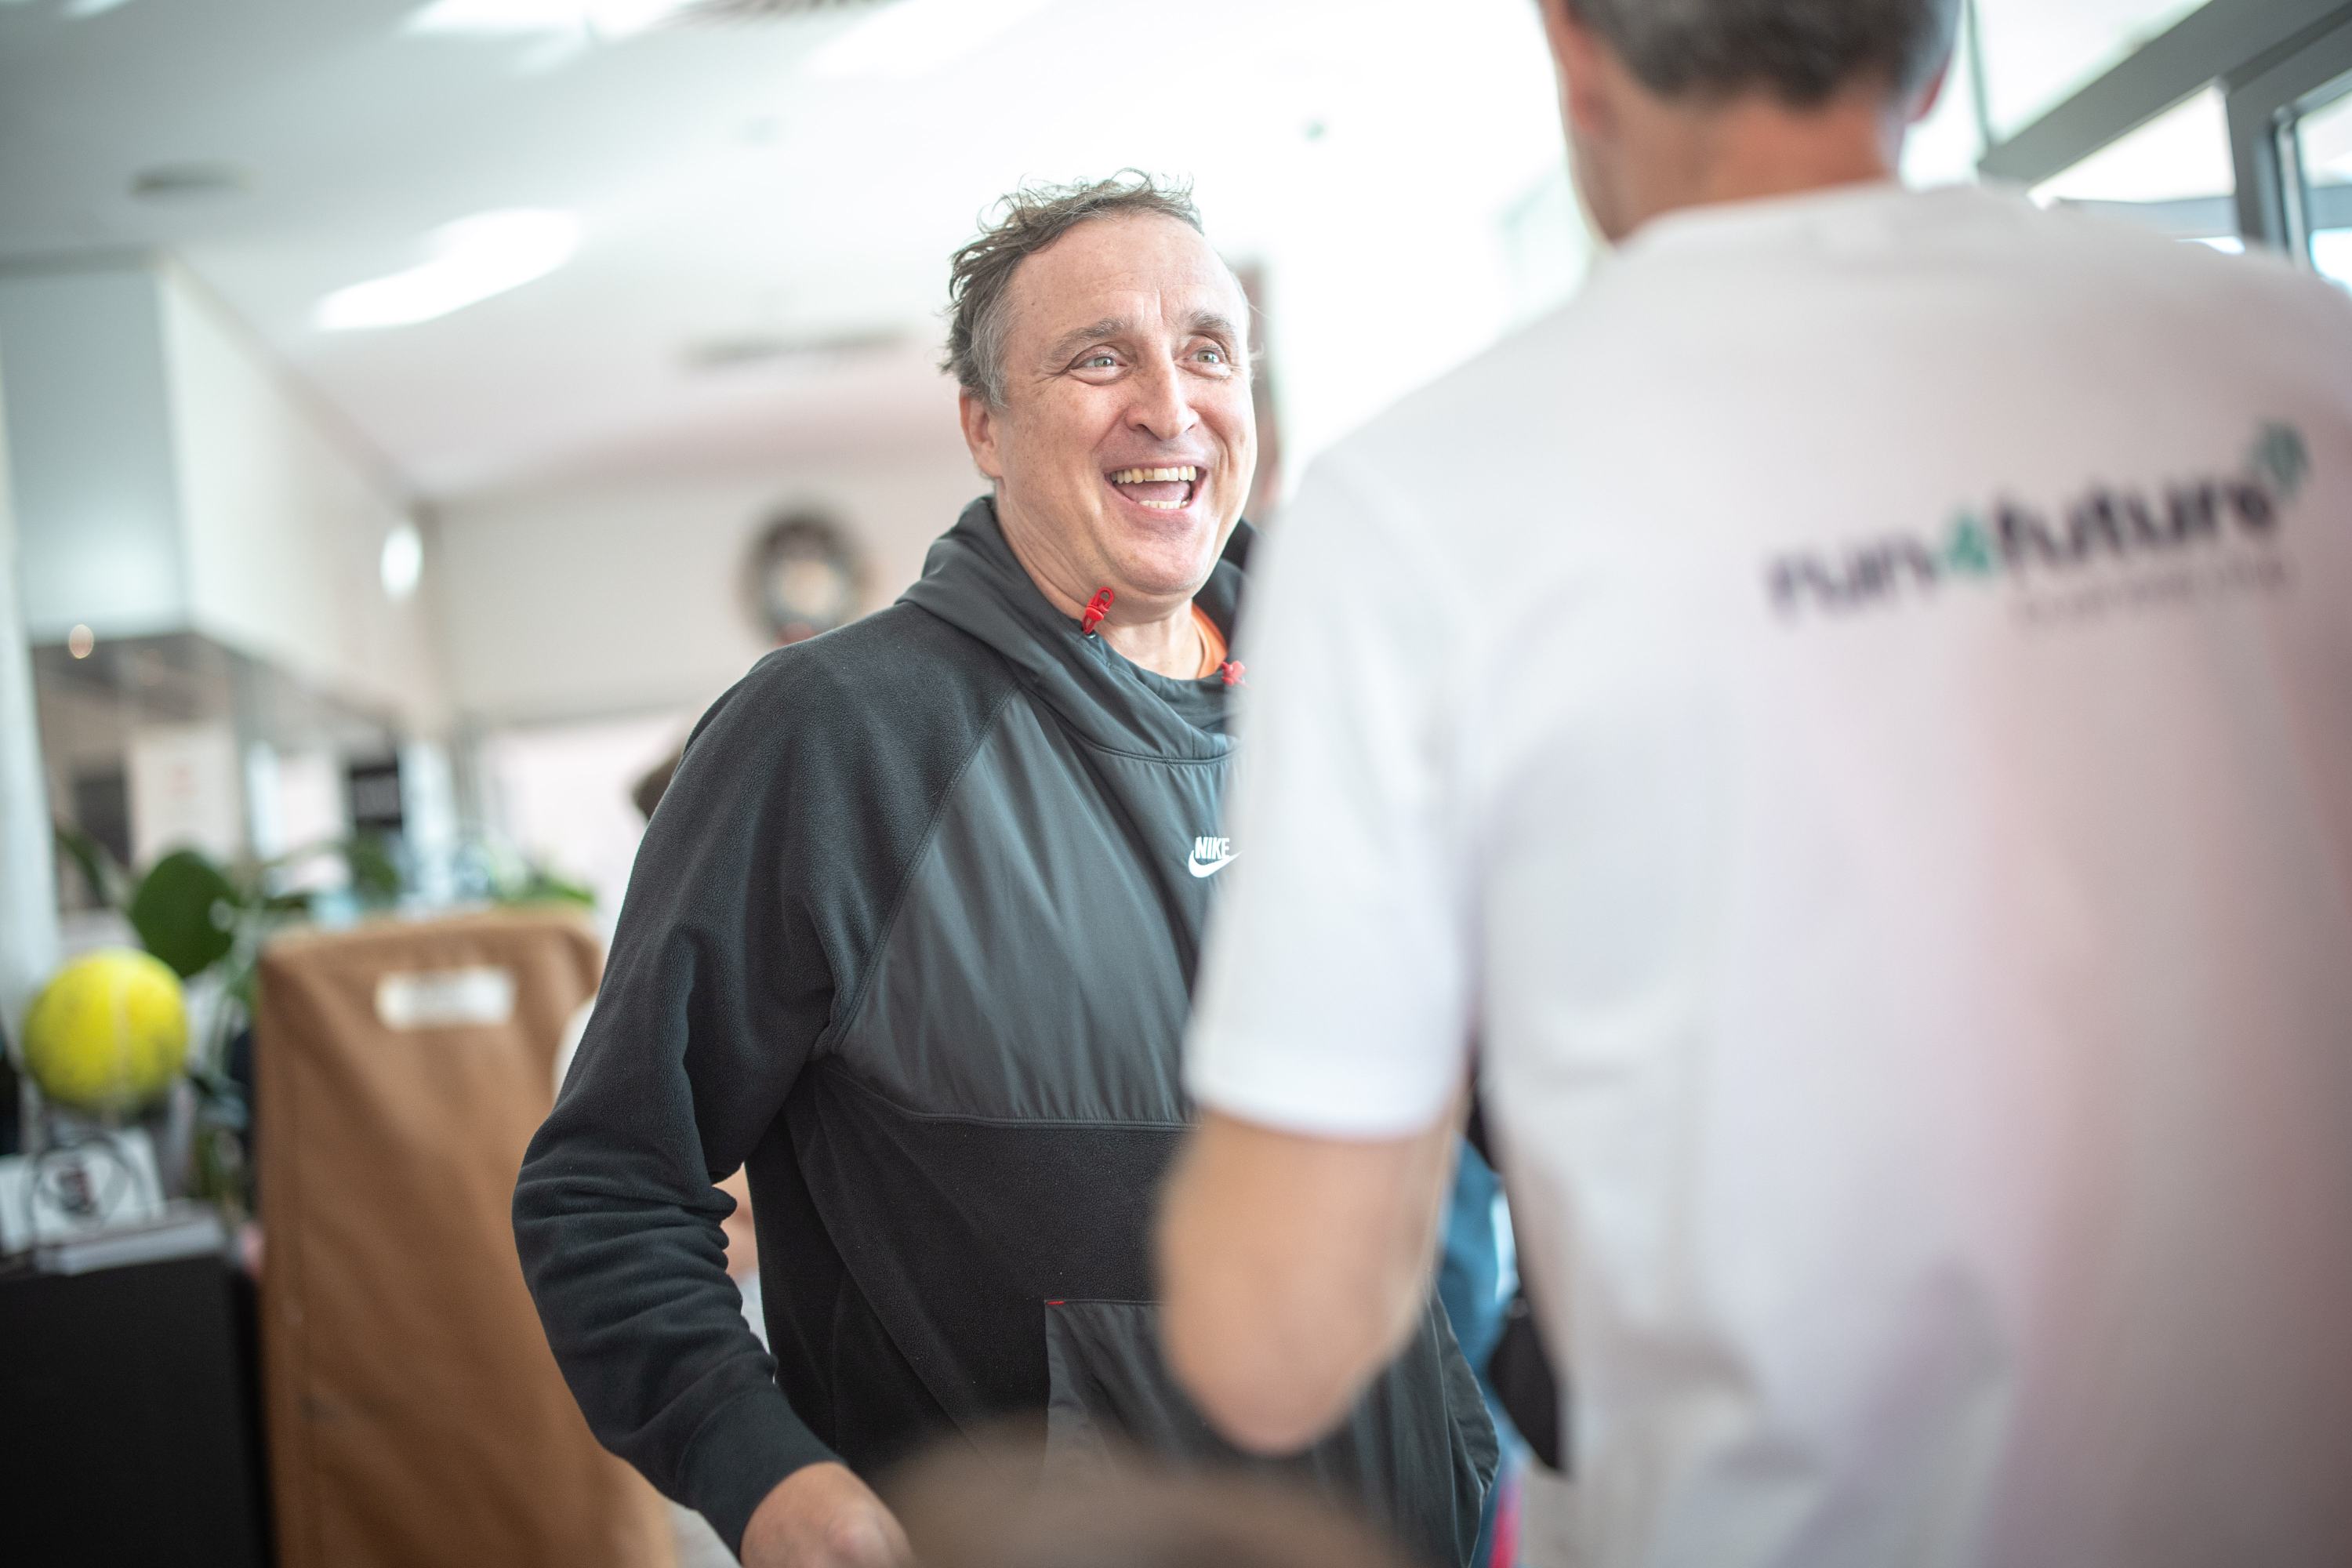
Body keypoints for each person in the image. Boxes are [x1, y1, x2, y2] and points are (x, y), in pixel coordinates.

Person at [1157, 2, 2352, 1564]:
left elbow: (1274, 1337)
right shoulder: (2295, 358)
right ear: (1931, 47)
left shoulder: (1417, 514)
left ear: (1578, 46)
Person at [514, 172, 1494, 1568]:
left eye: (1209, 351)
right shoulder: (840, 739)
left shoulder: (1359, 693)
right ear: (984, 424)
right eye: (1100, 359)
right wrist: (764, 1475)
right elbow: (605, 1187)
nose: (1169, 405)